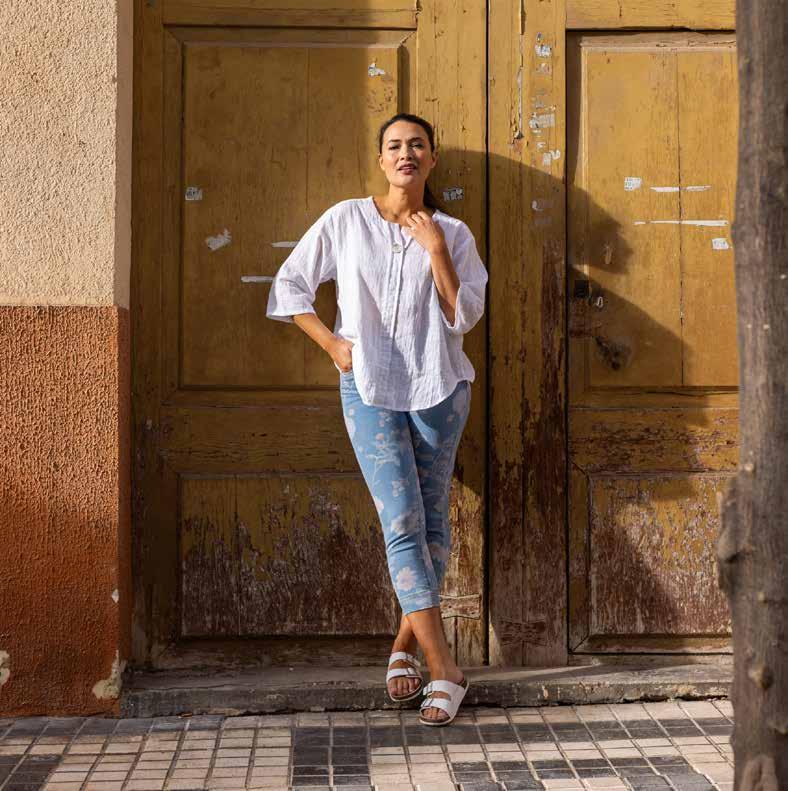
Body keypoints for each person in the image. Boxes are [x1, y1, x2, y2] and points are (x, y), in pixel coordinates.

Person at [266, 112, 488, 726]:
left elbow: (463, 316)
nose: (406, 153)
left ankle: (402, 647)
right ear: (381, 158)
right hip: (368, 389)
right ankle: (445, 668)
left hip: (440, 390)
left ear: (432, 159)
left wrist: (435, 249)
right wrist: (332, 345)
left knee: (433, 526)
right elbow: (290, 287)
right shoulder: (347, 220)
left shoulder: (453, 233)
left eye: (417, 145)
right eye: (395, 145)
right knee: (402, 522)